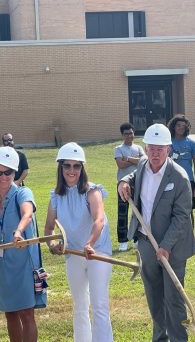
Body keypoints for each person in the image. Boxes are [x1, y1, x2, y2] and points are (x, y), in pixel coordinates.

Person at [118, 124, 195, 342]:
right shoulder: (143, 164)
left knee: (174, 299)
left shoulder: (179, 177)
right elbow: (134, 175)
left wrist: (165, 246)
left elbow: (182, 217)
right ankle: (160, 338)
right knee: (154, 297)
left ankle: (178, 339)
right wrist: (124, 182)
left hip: (173, 247)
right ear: (145, 148)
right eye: (151, 149)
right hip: (146, 241)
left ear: (168, 150)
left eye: (159, 150)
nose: (154, 154)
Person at [44, 142, 113, 342]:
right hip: (73, 254)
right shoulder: (56, 196)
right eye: (67, 165)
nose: (72, 170)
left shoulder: (92, 191)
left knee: (99, 305)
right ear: (61, 167)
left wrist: (90, 243)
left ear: (82, 168)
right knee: (80, 305)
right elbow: (49, 229)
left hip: (97, 252)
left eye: (77, 166)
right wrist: (52, 245)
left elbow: (99, 219)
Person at [0, 147, 39, 342]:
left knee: (26, 312)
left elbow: (27, 214)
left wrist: (18, 231)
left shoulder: (22, 192)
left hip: (22, 262)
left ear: (15, 172)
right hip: (3, 265)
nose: (4, 176)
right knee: (10, 312)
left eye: (8, 172)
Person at [167, 115, 195, 244]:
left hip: (188, 181)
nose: (181, 128)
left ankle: (191, 238)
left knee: (188, 210)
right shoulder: (167, 143)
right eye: (178, 125)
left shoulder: (192, 144)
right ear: (173, 127)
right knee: (170, 209)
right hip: (170, 180)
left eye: (183, 126)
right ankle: (172, 237)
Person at [114, 123, 145, 251]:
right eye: (126, 134)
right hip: (123, 184)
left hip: (138, 183)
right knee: (123, 213)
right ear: (122, 135)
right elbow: (120, 164)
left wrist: (127, 158)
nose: (129, 136)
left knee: (138, 211)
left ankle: (136, 239)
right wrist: (134, 160)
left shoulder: (138, 147)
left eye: (131, 133)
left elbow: (143, 161)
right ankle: (123, 241)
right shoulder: (118, 148)